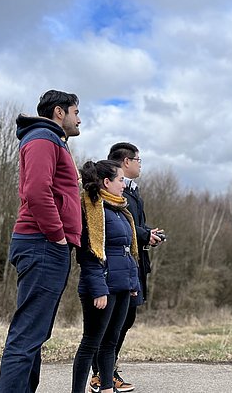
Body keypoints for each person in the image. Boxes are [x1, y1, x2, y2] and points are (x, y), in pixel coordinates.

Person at [0, 90, 81, 393]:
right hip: (43, 244)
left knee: (35, 333)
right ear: (59, 112)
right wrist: (58, 235)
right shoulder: (43, 138)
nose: (79, 118)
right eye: (76, 112)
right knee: (27, 333)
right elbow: (35, 192)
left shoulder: (51, 140)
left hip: (45, 245)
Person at [88, 142, 163, 392]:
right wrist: (144, 234)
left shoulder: (132, 191)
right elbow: (113, 231)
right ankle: (101, 374)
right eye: (138, 159)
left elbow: (131, 226)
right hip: (116, 268)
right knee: (111, 324)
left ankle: (107, 372)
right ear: (126, 162)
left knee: (126, 320)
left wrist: (147, 234)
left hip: (134, 264)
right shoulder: (110, 195)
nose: (141, 164)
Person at [71, 160, 140, 393]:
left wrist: (133, 283)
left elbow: (126, 251)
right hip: (102, 288)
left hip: (121, 286)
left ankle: (107, 388)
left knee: (110, 343)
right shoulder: (92, 209)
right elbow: (89, 252)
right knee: (91, 343)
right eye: (120, 180)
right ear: (106, 182)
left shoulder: (120, 209)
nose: (124, 185)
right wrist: (98, 289)